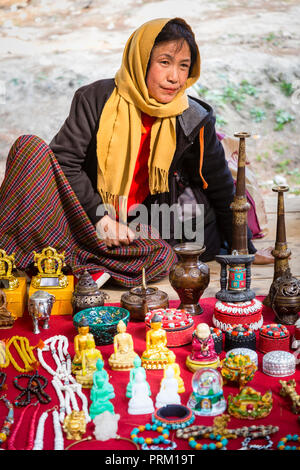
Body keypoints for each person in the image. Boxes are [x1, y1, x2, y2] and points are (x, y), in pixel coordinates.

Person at [0, 18, 272, 290]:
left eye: (183, 66)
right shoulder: (94, 99)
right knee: (29, 147)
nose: (174, 77)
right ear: (141, 60)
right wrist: (100, 218)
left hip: (133, 229)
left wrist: (243, 246)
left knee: (164, 257)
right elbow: (64, 162)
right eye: (164, 62)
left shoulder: (192, 118)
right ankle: (79, 261)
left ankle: (68, 261)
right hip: (82, 215)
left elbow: (220, 183)